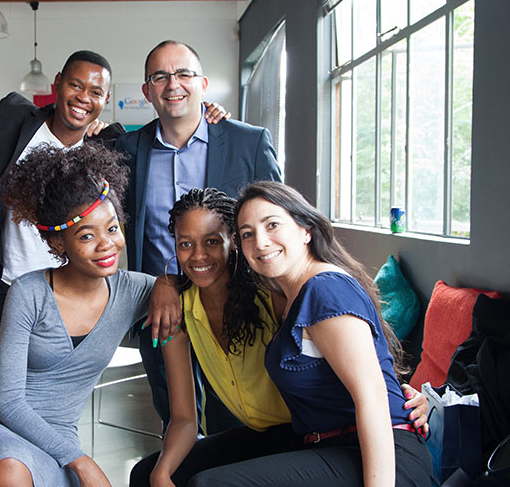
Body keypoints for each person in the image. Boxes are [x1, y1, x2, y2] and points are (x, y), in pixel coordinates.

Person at [0, 51, 228, 387]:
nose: (83, 97)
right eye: (75, 85)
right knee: (7, 390)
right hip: (6, 287)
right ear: (57, 84)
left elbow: (172, 125)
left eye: (95, 92)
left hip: (69, 293)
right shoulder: (12, 118)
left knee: (57, 390)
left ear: (105, 101)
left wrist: (211, 112)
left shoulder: (108, 144)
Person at [130, 188, 429, 487]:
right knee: (146, 474)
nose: (260, 241)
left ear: (306, 229)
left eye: (272, 225)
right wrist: (164, 281)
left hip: (367, 448)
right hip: (315, 439)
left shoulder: (310, 291)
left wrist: (407, 397)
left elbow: (373, 391)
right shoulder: (290, 292)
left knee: (209, 484)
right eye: (248, 233)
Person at [0, 142, 154, 487]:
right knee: (11, 470)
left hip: (57, 445)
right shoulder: (28, 291)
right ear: (58, 244)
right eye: (86, 235)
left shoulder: (134, 290)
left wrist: (165, 285)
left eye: (113, 228)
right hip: (0, 436)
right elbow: (9, 402)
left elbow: (192, 285)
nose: (106, 244)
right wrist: (81, 462)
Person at [115, 40, 282, 432]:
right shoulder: (127, 150)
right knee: (175, 415)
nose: (173, 84)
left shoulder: (248, 142)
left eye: (184, 73)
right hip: (160, 306)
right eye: (160, 76)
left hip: (238, 305)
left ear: (203, 83)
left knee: (237, 419)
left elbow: (279, 223)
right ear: (147, 91)